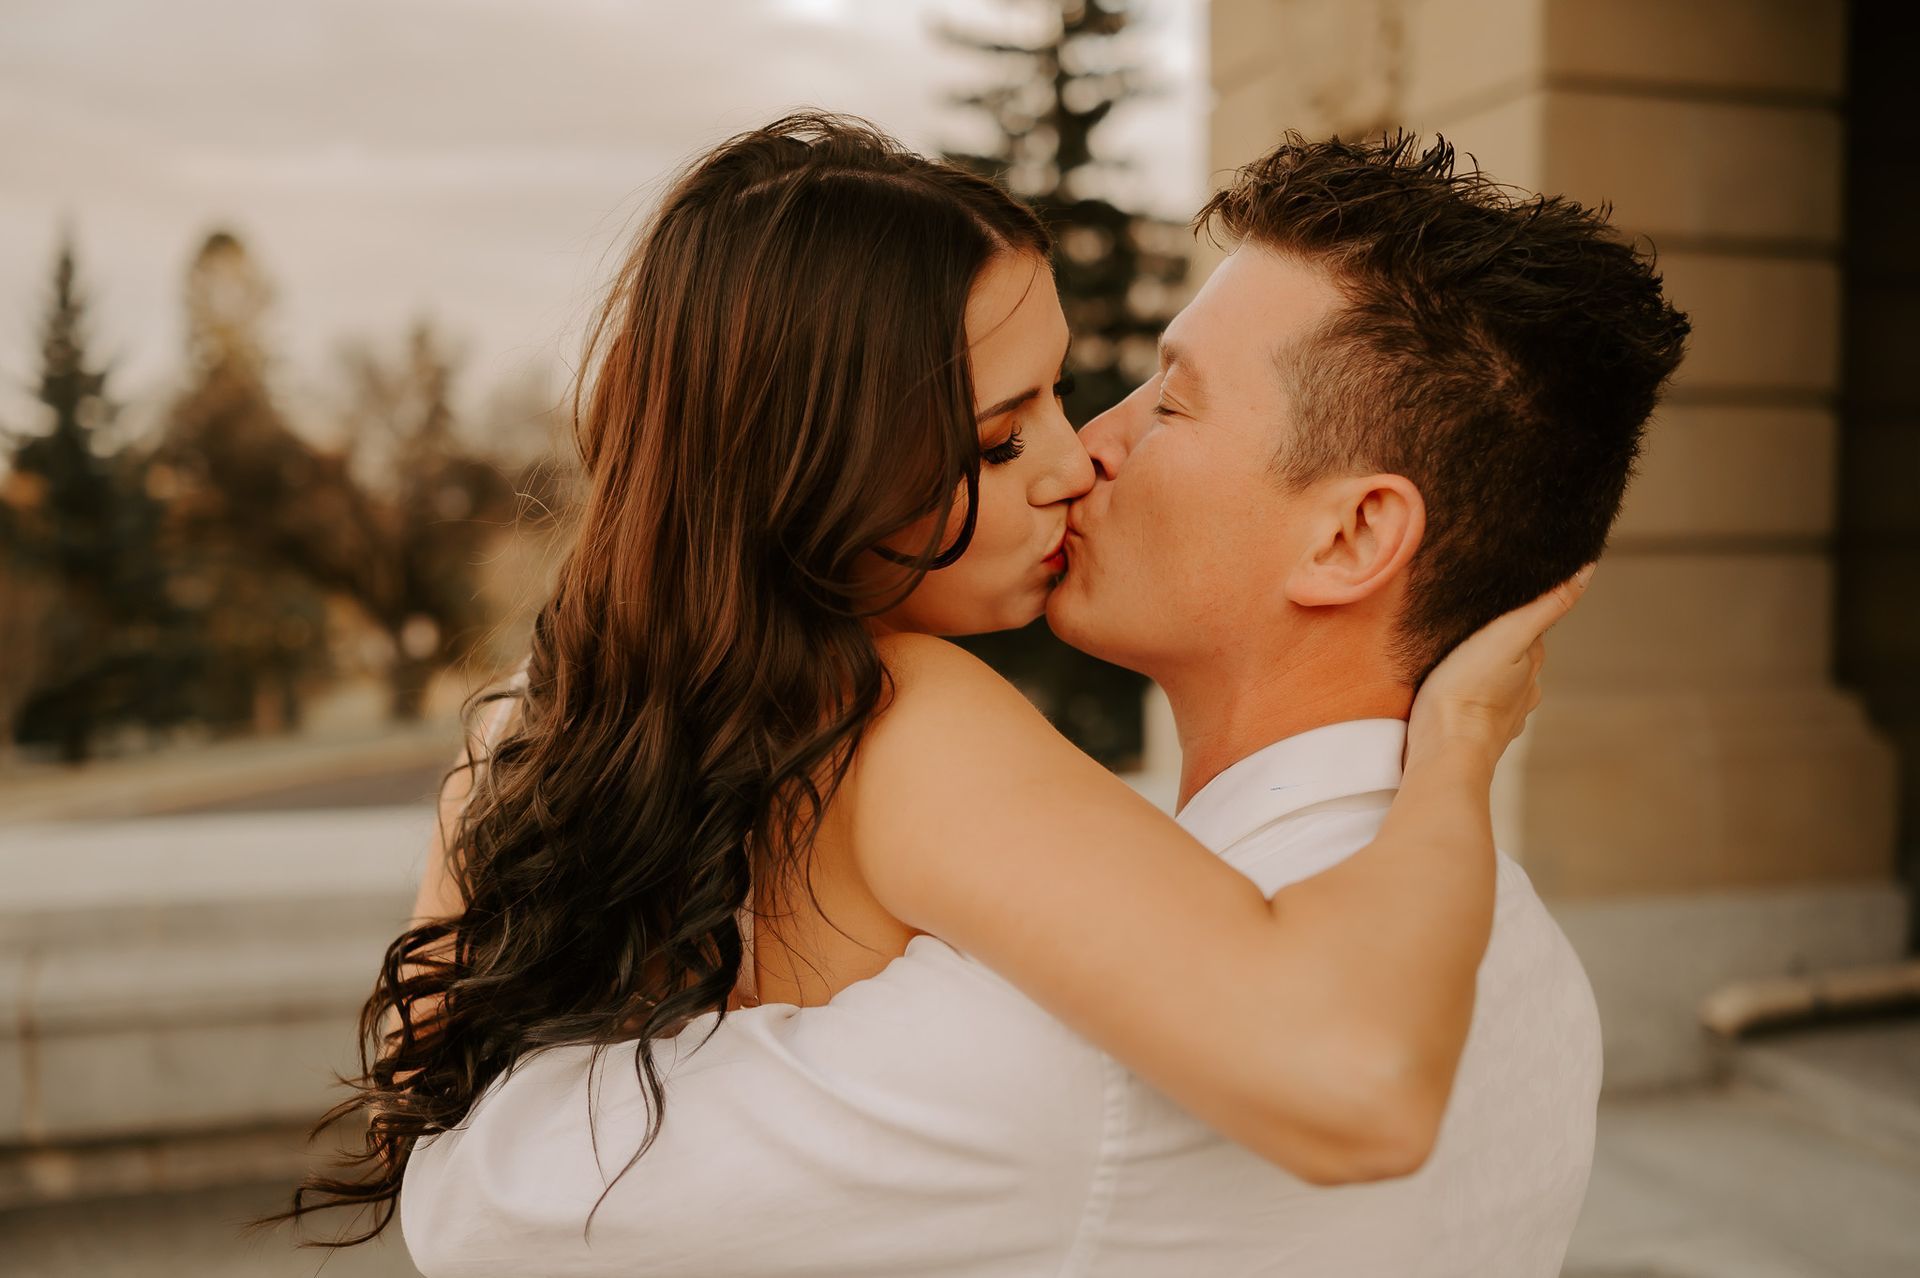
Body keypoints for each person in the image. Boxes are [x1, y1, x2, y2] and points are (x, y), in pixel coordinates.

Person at [275, 116, 1628, 1270]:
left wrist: (509, 764)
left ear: (1349, 537)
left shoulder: (1053, 1019)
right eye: (1006, 426)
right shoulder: (1522, 954)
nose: (1084, 451)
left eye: (1168, 402)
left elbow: (487, 1205)